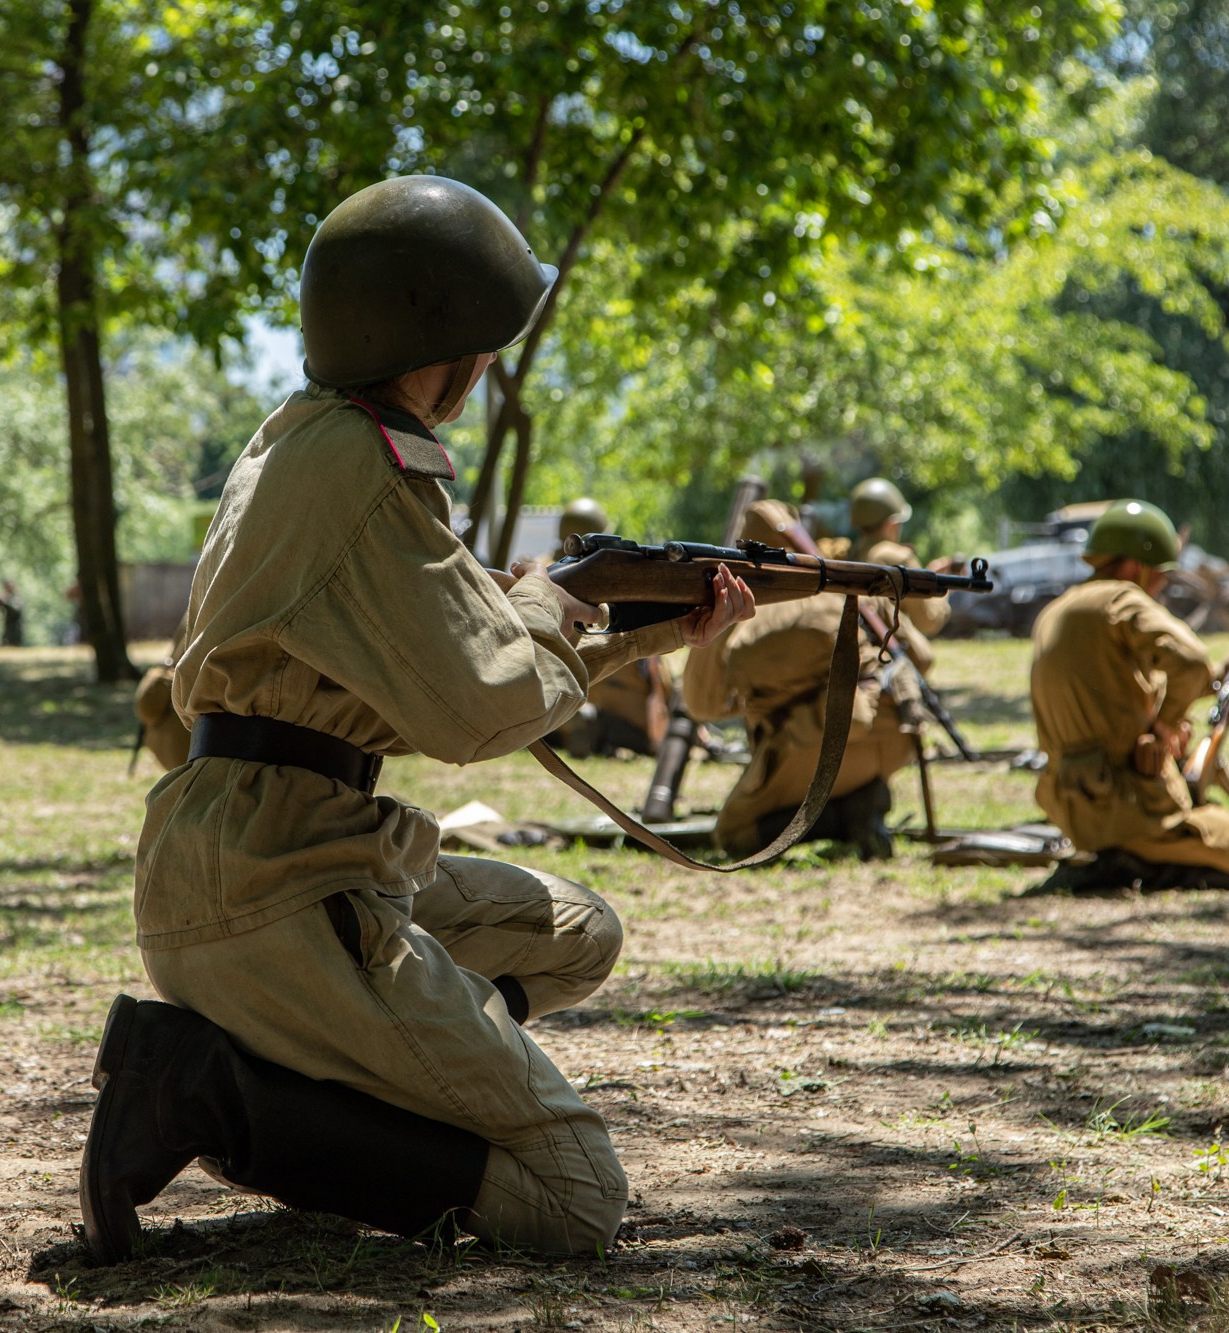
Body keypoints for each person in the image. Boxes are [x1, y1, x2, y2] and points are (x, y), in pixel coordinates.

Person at [80, 175, 753, 1265]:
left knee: (577, 933)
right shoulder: (364, 466)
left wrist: (637, 632)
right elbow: (479, 709)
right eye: (484, 341)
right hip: (273, 884)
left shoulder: (305, 437)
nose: (487, 369)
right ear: (433, 336)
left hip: (264, 850)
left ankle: (366, 1092)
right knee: (573, 1198)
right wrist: (560, 596)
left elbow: (434, 643)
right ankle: (203, 1091)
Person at [1029, 500, 1229, 890]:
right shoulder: (1121, 599)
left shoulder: (1056, 612)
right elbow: (1192, 663)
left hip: (1072, 805)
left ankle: (1127, 858)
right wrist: (1164, 727)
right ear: (1134, 566)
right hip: (1130, 807)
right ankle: (1138, 864)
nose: (1161, 586)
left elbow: (1113, 701)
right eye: (1160, 574)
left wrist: (1221, 680)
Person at [683, 498, 917, 861]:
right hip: (891, 739)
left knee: (734, 835)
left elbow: (703, 705)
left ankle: (841, 816)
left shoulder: (744, 619)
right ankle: (862, 798)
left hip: (813, 750)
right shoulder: (850, 582)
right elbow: (923, 657)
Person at [544, 498, 671, 757]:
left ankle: (572, 725)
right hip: (618, 716)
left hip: (548, 705)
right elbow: (658, 676)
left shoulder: (535, 573)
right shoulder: (617, 586)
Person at [846, 477, 953, 649]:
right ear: (891, 525)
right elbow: (929, 621)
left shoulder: (850, 553)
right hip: (886, 655)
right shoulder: (899, 558)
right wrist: (944, 590)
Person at [0, 578, 26, 648]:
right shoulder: (5, 597)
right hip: (7, 627)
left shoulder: (16, 598)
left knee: (16, 647)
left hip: (16, 628)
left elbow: (15, 610)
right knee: (4, 646)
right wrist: (0, 598)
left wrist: (5, 602)